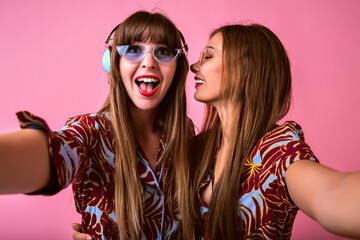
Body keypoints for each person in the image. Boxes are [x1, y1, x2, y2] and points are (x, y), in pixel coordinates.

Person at [0, 10, 194, 240]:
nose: (149, 63)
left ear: (177, 67)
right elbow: (53, 152)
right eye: (133, 50)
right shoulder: (90, 131)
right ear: (113, 63)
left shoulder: (184, 133)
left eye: (162, 52)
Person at [189, 23, 360, 239]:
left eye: (208, 57)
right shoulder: (201, 147)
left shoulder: (277, 150)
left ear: (244, 68)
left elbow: (332, 194)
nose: (194, 66)